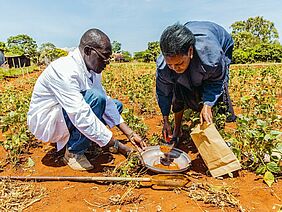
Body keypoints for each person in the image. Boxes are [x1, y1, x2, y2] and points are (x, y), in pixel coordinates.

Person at [27, 28, 146, 171]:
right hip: (49, 120)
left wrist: (130, 134)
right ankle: (73, 152)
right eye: (104, 57)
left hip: (68, 114)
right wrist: (119, 147)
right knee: (96, 99)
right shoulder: (64, 69)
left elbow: (107, 103)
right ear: (88, 51)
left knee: (115, 105)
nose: (107, 62)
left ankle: (86, 139)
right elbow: (80, 114)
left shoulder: (92, 69)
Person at [156, 21, 236, 143]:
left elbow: (217, 80)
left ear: (190, 51)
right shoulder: (164, 67)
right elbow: (163, 92)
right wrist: (166, 119)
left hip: (220, 40)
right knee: (179, 85)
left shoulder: (212, 57)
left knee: (217, 93)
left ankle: (219, 132)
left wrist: (208, 104)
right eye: (170, 64)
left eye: (179, 63)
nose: (175, 68)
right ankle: (178, 130)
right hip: (193, 34)